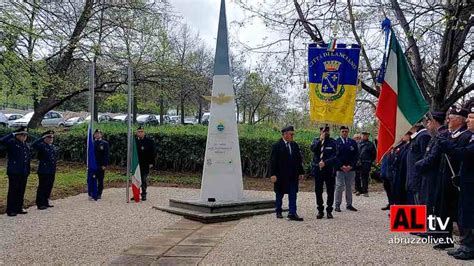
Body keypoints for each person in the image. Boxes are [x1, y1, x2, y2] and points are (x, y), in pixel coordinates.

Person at [433, 105, 470, 250]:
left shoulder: (465, 136)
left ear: (460, 121)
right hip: (444, 176)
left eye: (452, 118)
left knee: (456, 210)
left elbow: (460, 154)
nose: (448, 120)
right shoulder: (448, 135)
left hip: (456, 177)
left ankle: (464, 242)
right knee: (442, 209)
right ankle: (444, 238)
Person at [441, 98, 474, 260]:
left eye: (472, 117)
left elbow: (465, 154)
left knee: (468, 213)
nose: (468, 120)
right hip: (467, 180)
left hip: (471, 182)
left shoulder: (470, 137)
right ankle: (465, 244)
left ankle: (470, 247)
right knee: (464, 213)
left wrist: (446, 145)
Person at [415, 111, 448, 215]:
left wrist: (418, 164)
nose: (427, 125)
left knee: (430, 202)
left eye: (429, 122)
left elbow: (432, 157)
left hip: (434, 175)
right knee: (425, 201)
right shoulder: (434, 136)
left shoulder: (441, 136)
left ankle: (431, 228)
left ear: (434, 122)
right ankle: (426, 227)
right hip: (427, 175)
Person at [270, 126, 305, 221]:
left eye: (293, 134)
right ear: (285, 134)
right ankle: (278, 211)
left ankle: (292, 213)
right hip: (281, 175)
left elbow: (299, 160)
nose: (293, 136)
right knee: (279, 193)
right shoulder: (276, 145)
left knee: (293, 194)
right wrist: (272, 174)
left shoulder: (295, 145)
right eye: (291, 134)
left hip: (293, 175)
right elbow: (273, 161)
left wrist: (301, 172)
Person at [0, 127, 31, 216]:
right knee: (13, 190)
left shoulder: (25, 145)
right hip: (14, 171)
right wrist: (11, 134)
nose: (24, 137)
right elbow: (1, 141)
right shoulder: (12, 142)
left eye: (25, 135)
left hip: (24, 171)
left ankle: (19, 207)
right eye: (22, 135)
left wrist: (28, 170)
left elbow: (27, 159)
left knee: (21, 190)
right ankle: (11, 209)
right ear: (17, 135)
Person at [310, 126, 337, 219]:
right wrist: (320, 141)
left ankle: (329, 210)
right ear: (320, 131)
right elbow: (313, 149)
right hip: (318, 170)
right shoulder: (316, 140)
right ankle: (320, 210)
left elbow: (335, 156)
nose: (325, 133)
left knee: (330, 191)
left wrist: (325, 163)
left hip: (329, 170)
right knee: (318, 190)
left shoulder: (333, 142)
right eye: (323, 131)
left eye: (327, 131)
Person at [334, 126, 359, 212]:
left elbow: (356, 156)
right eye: (343, 131)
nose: (344, 133)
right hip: (340, 169)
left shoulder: (353, 142)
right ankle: (337, 205)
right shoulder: (336, 142)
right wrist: (341, 166)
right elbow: (334, 156)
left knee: (349, 187)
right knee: (339, 186)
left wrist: (351, 166)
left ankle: (349, 204)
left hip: (350, 169)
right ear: (340, 132)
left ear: (348, 132)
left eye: (346, 131)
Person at [405, 122, 431, 205]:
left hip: (420, 179)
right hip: (414, 178)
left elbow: (425, 159)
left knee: (421, 206)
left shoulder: (423, 136)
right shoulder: (416, 137)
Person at [32, 130, 58, 210]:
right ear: (44, 138)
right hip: (44, 169)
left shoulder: (52, 147)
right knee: (42, 186)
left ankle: (46, 201)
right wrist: (41, 138)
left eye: (52, 137)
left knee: (49, 186)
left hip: (51, 170)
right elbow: (34, 145)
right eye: (49, 137)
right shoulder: (41, 146)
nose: (51, 139)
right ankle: (40, 203)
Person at [132, 126, 156, 201]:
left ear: (144, 132)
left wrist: (151, 162)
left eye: (141, 131)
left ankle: (144, 194)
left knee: (143, 180)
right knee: (136, 178)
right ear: (136, 133)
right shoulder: (134, 141)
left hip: (145, 164)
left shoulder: (149, 141)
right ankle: (136, 194)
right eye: (139, 132)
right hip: (136, 164)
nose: (140, 133)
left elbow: (153, 152)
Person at [390, 132, 412, 205]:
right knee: (397, 193)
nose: (403, 136)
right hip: (399, 172)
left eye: (405, 134)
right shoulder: (403, 146)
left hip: (405, 173)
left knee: (404, 196)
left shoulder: (409, 146)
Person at [356, 132, 376, 197]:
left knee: (365, 177)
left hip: (366, 162)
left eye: (366, 135)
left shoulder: (370, 144)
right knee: (357, 177)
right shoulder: (358, 143)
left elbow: (374, 154)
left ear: (368, 136)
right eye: (364, 135)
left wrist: (370, 161)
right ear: (361, 135)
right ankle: (358, 190)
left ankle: (365, 191)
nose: (365, 136)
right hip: (358, 163)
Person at [94, 129, 109, 199]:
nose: (97, 135)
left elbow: (106, 155)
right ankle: (94, 191)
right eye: (96, 133)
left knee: (100, 180)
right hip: (93, 165)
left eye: (99, 133)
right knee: (93, 178)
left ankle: (99, 193)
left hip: (101, 165)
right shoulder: (92, 143)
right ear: (94, 135)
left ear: (101, 135)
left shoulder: (104, 143)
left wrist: (104, 165)